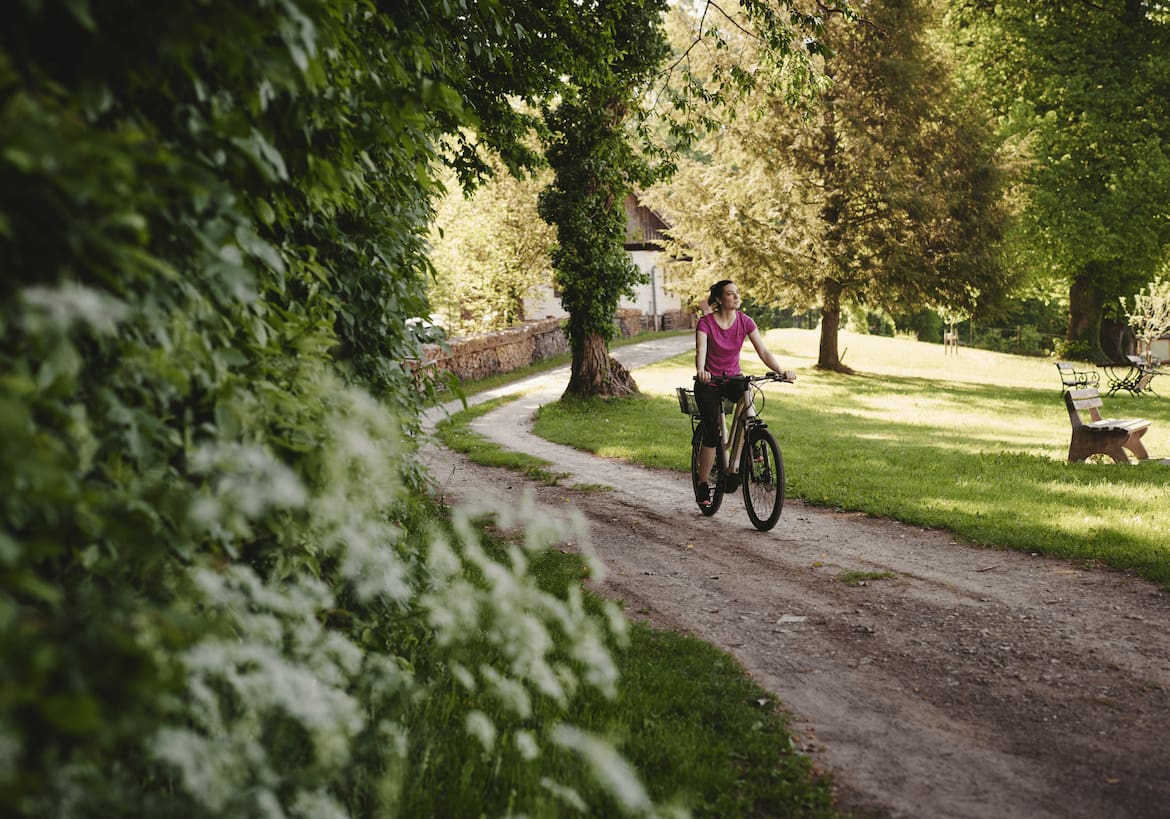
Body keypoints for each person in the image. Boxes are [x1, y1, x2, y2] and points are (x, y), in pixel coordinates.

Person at [694, 279, 795, 507]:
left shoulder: (745, 321)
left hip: (732, 379)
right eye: (730, 294)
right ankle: (702, 484)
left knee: (747, 390)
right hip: (709, 383)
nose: (736, 296)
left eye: (737, 292)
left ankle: (751, 444)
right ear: (719, 299)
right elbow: (701, 350)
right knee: (713, 432)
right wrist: (701, 371)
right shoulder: (705, 323)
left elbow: (763, 351)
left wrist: (781, 371)